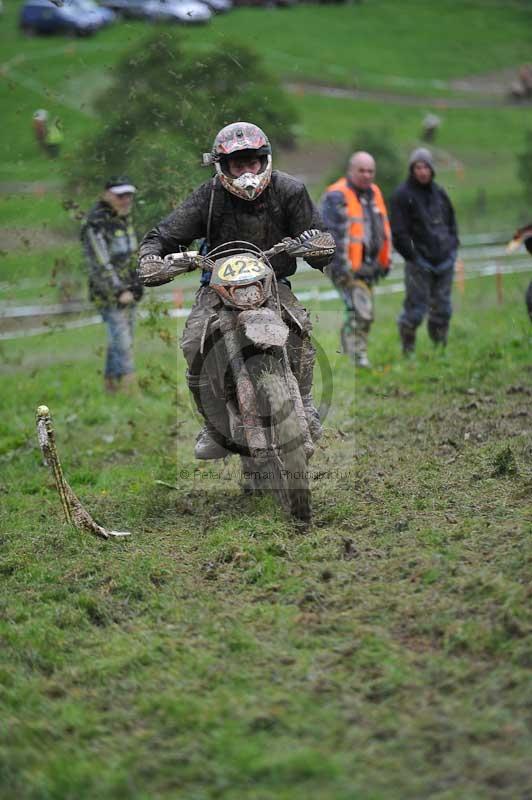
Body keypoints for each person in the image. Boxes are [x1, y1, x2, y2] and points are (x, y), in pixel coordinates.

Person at [138, 121, 334, 459]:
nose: (246, 172)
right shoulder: (209, 196)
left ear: (264, 160)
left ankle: (304, 403)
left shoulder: (289, 190)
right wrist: (152, 258)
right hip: (217, 288)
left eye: (252, 162)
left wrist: (316, 246)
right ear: (223, 166)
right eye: (237, 164)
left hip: (272, 283)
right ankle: (214, 426)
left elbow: (319, 236)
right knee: (193, 343)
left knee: (299, 330)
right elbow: (164, 234)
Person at [320, 151, 391, 368]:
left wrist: (383, 261)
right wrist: (342, 269)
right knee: (362, 311)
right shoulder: (336, 195)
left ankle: (351, 352)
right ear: (350, 171)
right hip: (344, 266)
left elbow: (380, 229)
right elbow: (331, 237)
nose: (367, 175)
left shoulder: (373, 193)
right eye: (362, 170)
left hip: (367, 265)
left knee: (360, 310)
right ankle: (357, 358)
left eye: (370, 171)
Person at [390, 147, 459, 355]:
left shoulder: (439, 193)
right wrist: (414, 257)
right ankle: (408, 352)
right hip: (418, 263)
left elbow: (451, 223)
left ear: (432, 169)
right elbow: (398, 233)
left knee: (443, 309)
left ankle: (440, 350)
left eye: (426, 167)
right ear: (412, 169)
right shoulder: (402, 195)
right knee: (415, 310)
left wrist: (452, 249)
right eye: (418, 167)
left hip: (444, 261)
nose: (422, 171)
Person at [81, 176, 143, 393]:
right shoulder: (95, 223)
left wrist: (136, 284)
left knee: (121, 338)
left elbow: (133, 255)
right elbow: (100, 264)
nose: (126, 200)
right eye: (120, 195)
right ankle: (130, 388)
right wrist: (118, 291)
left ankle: (110, 385)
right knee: (122, 340)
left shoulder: (124, 218)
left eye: (129, 195)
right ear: (106, 195)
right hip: (107, 292)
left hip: (128, 288)